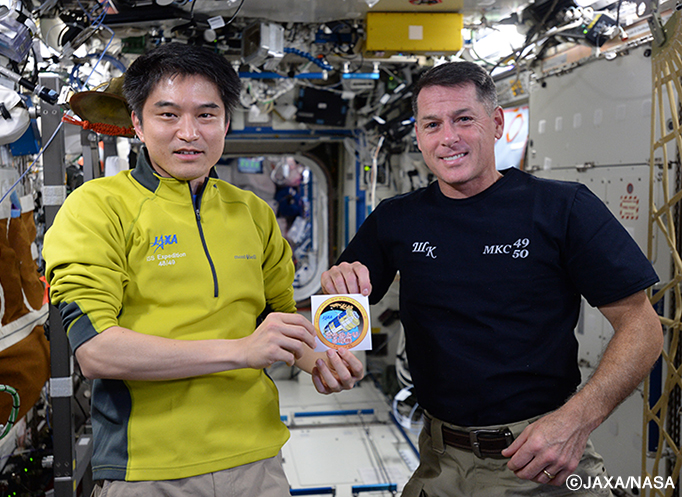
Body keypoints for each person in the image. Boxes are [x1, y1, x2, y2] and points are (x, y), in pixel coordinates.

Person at [321, 61, 662, 496]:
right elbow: (339, 312)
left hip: (538, 459)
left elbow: (642, 326)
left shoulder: (562, 208)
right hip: (438, 461)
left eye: (464, 119)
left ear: (497, 123)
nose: (448, 137)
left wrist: (576, 421)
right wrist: (331, 340)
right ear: (418, 136)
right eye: (432, 124)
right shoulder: (396, 219)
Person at [43, 42, 363, 497]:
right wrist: (241, 351)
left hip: (258, 461)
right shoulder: (97, 208)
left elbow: (279, 323)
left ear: (226, 123)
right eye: (168, 115)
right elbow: (97, 352)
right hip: (148, 469)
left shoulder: (252, 212)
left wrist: (324, 362)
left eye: (206, 115)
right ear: (137, 123)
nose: (189, 133)